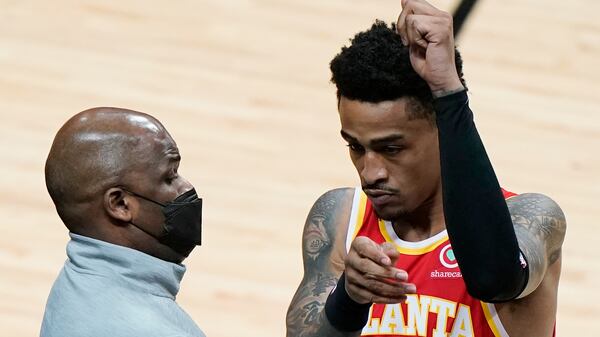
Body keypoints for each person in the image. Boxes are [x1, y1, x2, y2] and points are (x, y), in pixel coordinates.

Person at [286, 0, 566, 336]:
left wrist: (448, 92)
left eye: (391, 148)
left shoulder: (531, 219)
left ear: (441, 131)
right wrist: (348, 299)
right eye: (356, 147)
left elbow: (493, 277)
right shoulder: (341, 217)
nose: (370, 173)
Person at [40, 107, 206, 337]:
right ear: (120, 204)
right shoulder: (149, 330)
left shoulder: (76, 286)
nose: (186, 188)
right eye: (170, 177)